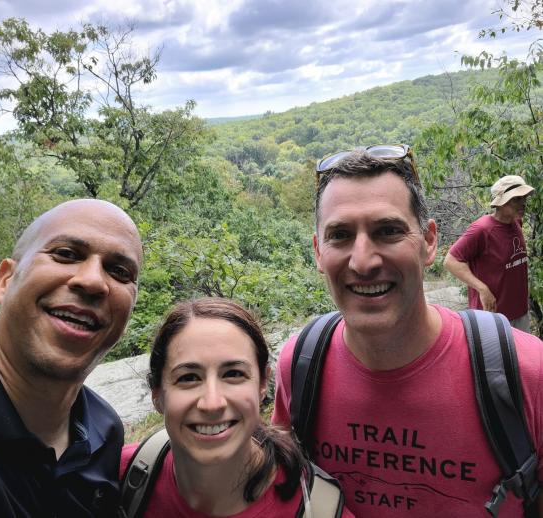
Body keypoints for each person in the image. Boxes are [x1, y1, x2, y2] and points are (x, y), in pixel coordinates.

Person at [271, 146, 543, 517]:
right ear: (318, 251)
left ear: (428, 242)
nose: (363, 261)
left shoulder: (529, 374)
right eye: (340, 235)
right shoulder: (300, 365)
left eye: (388, 231)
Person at [0, 199, 143, 517]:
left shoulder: (104, 430)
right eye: (66, 254)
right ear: (5, 280)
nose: (93, 281)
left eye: (119, 271)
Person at [119, 297, 355, 517]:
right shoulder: (115, 476)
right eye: (189, 378)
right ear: (157, 393)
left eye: (233, 374)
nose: (212, 403)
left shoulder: (319, 509)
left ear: (262, 384)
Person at [444, 174, 535, 332]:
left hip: (520, 314)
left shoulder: (516, 222)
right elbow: (451, 261)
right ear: (501, 202)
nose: (523, 204)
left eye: (524, 198)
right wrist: (482, 289)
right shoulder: (482, 229)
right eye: (516, 199)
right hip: (491, 318)